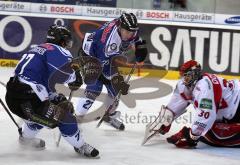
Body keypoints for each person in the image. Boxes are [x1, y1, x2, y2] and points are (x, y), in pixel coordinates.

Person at [5, 24, 99, 157]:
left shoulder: (36, 49)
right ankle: (81, 146)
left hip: (13, 96)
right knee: (65, 117)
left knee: (44, 113)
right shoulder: (57, 49)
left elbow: (41, 79)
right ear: (61, 41)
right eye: (66, 42)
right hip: (30, 101)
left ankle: (26, 140)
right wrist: (75, 76)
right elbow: (63, 73)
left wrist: (55, 97)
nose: (67, 45)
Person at [75, 13, 148, 130]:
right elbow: (103, 69)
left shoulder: (130, 28)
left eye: (132, 32)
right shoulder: (110, 42)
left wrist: (140, 47)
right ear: (119, 27)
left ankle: (108, 115)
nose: (130, 35)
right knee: (94, 89)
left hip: (105, 57)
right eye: (127, 32)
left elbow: (136, 39)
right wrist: (115, 80)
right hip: (90, 54)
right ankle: (76, 119)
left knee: (116, 90)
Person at [149, 60, 240, 148]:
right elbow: (176, 102)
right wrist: (166, 119)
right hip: (234, 107)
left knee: (214, 135)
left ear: (195, 74)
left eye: (187, 76)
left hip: (237, 105)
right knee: (206, 132)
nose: (184, 80)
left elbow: (206, 115)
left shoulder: (205, 87)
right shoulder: (186, 84)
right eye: (183, 76)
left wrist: (191, 136)